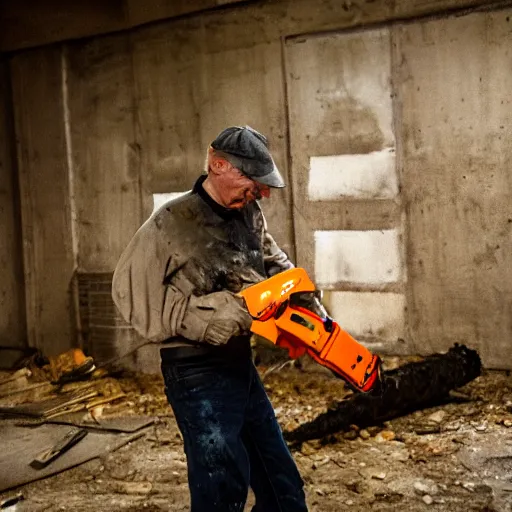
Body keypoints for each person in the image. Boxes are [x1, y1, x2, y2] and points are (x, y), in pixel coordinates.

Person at [112, 126, 308, 512]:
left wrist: (302, 299)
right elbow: (128, 293)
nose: (262, 192)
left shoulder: (248, 212)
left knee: (281, 483)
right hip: (196, 372)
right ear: (218, 164)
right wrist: (199, 318)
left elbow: (271, 260)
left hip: (239, 362)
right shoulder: (171, 222)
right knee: (222, 489)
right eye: (253, 181)